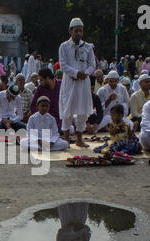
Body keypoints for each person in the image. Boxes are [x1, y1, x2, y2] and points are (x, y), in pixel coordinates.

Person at [58, 18, 95, 147]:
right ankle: (66, 140)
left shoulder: (88, 47)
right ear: (70, 31)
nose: (79, 33)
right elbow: (63, 65)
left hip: (83, 82)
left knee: (82, 111)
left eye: (81, 30)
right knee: (67, 110)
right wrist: (75, 73)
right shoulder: (64, 46)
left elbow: (92, 65)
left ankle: (79, 140)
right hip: (69, 82)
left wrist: (84, 73)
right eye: (76, 30)